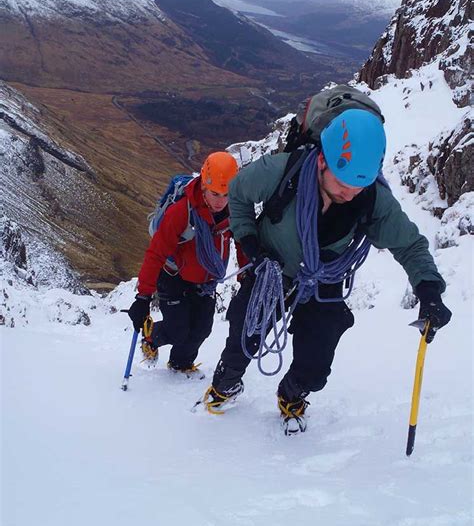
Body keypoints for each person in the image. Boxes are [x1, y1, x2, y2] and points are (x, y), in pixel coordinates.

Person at [202, 100, 452, 432]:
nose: (350, 193)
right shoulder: (282, 171)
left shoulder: (372, 198)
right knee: (244, 335)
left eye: (358, 185)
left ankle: (292, 394)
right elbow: (239, 194)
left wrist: (429, 287)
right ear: (321, 160)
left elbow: (408, 243)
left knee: (317, 362)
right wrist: (250, 242)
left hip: (323, 279)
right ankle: (225, 384)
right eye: (342, 183)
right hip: (272, 269)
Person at [128, 151, 244, 376]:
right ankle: (151, 338)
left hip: (206, 280)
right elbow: (156, 253)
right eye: (215, 194)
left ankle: (180, 365)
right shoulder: (181, 211)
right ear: (203, 185)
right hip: (174, 277)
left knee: (201, 330)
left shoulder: (235, 210)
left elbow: (242, 240)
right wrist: (143, 297)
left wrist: (245, 276)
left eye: (226, 194)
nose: (221, 202)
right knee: (178, 330)